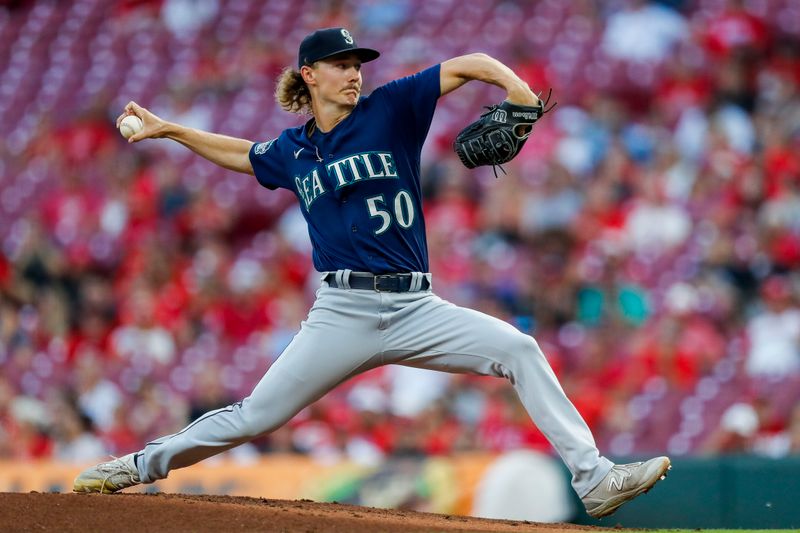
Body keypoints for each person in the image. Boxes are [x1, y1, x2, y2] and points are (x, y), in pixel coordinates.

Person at [73, 27, 670, 519]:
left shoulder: (392, 108)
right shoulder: (295, 150)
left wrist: (517, 91)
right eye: (340, 64)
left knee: (518, 348)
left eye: (357, 62)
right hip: (342, 312)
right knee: (254, 416)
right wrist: (171, 130)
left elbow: (469, 63)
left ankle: (594, 480)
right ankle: (134, 467)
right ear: (309, 75)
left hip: (416, 306)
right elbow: (243, 154)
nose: (354, 72)